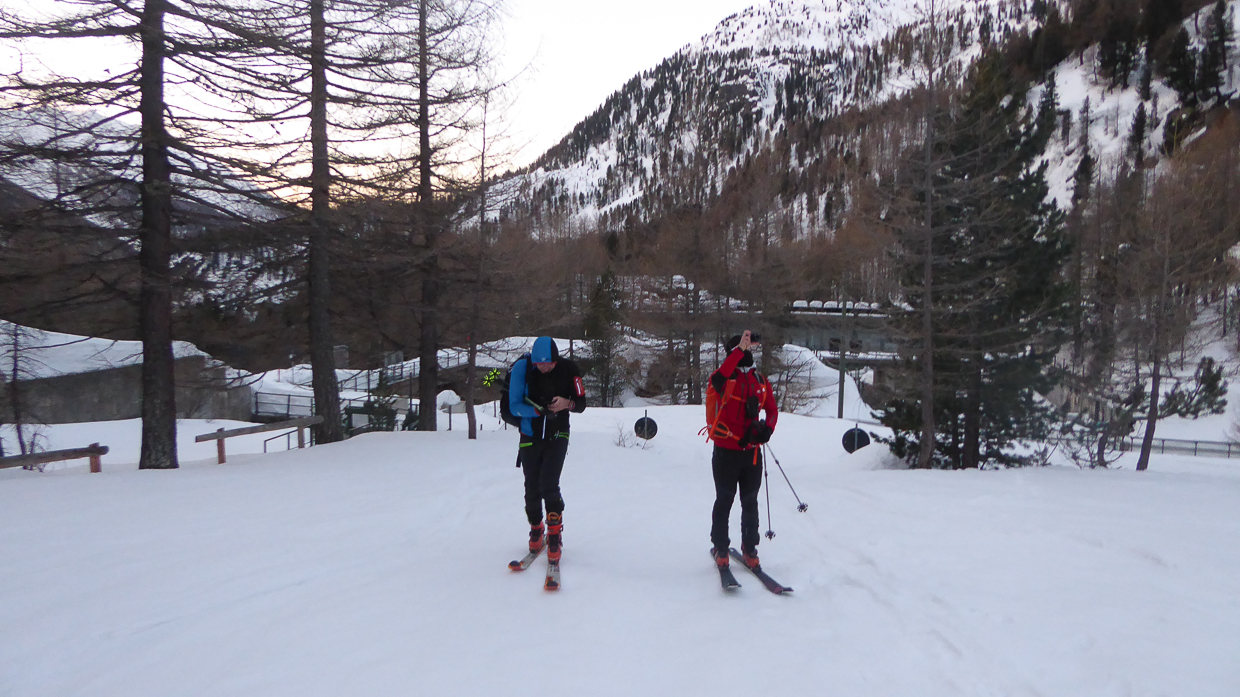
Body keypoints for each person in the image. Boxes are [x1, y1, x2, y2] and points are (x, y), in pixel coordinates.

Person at [508, 336, 586, 563]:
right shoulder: (522, 368)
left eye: (549, 364)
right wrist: (536, 411)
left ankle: (554, 535)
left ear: (556, 360)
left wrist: (566, 404)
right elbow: (514, 406)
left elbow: (581, 404)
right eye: (540, 364)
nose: (544, 368)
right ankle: (536, 528)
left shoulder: (569, 369)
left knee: (549, 484)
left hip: (558, 433)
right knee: (532, 487)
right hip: (530, 434)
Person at [705, 330, 777, 570]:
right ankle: (721, 548)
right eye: (743, 348)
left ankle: (750, 548)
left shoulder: (760, 380)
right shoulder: (723, 377)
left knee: (750, 501)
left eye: (749, 347)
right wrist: (739, 351)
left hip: (752, 453)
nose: (747, 351)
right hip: (725, 451)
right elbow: (719, 378)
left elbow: (772, 410)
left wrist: (767, 429)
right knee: (724, 500)